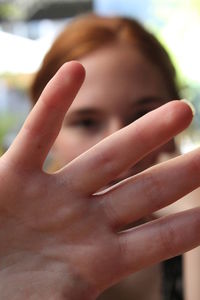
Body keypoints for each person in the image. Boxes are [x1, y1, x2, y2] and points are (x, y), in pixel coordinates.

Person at [0, 13, 200, 300]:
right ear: (48, 133)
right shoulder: (15, 246)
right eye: (87, 122)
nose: (120, 142)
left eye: (143, 116)